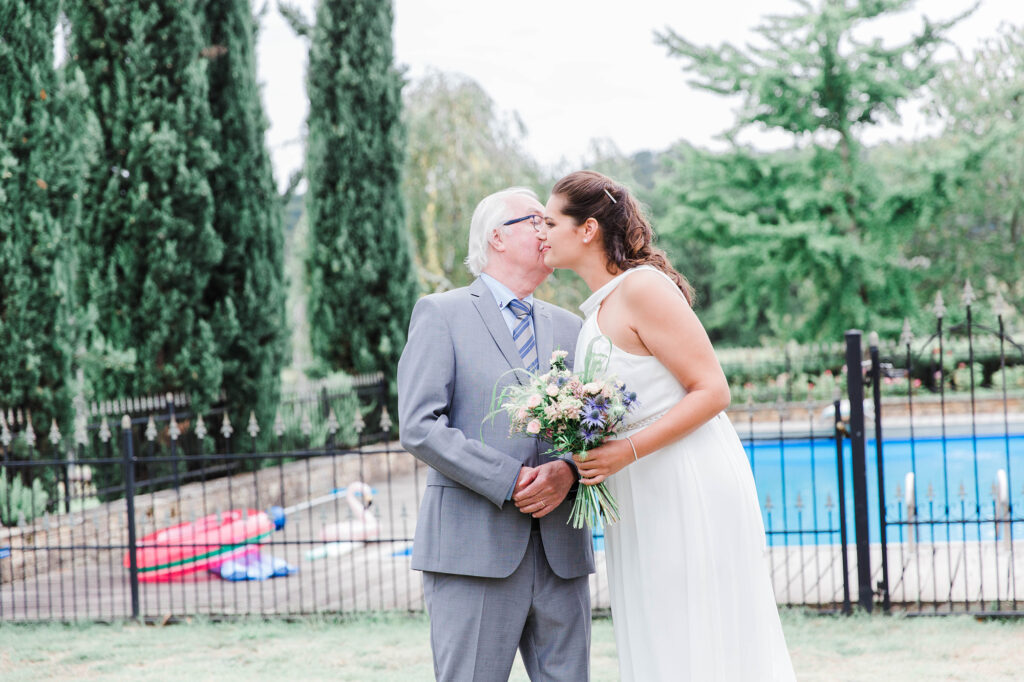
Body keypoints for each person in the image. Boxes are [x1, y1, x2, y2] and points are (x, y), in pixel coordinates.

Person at [537, 170, 796, 681]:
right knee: (657, 630)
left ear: (587, 229)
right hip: (639, 491)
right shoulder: (597, 312)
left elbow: (713, 390)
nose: (539, 232)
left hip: (683, 479)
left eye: (548, 221)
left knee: (693, 628)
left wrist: (625, 451)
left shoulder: (643, 289)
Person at [398, 187, 595, 681]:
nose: (546, 229)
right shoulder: (441, 313)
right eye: (535, 220)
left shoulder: (574, 327)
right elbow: (419, 425)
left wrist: (568, 471)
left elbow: (594, 425)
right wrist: (511, 480)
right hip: (473, 552)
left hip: (561, 554)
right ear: (497, 239)